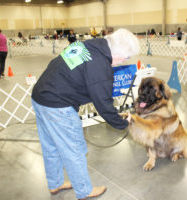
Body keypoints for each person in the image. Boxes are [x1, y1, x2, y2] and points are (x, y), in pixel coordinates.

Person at [31, 28, 138, 200]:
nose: (124, 61)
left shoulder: (88, 45)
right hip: (59, 106)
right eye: (127, 57)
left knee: (51, 146)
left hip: (40, 96)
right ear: (120, 54)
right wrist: (124, 123)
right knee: (75, 149)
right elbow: (103, 104)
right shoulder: (100, 65)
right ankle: (84, 190)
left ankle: (55, 183)